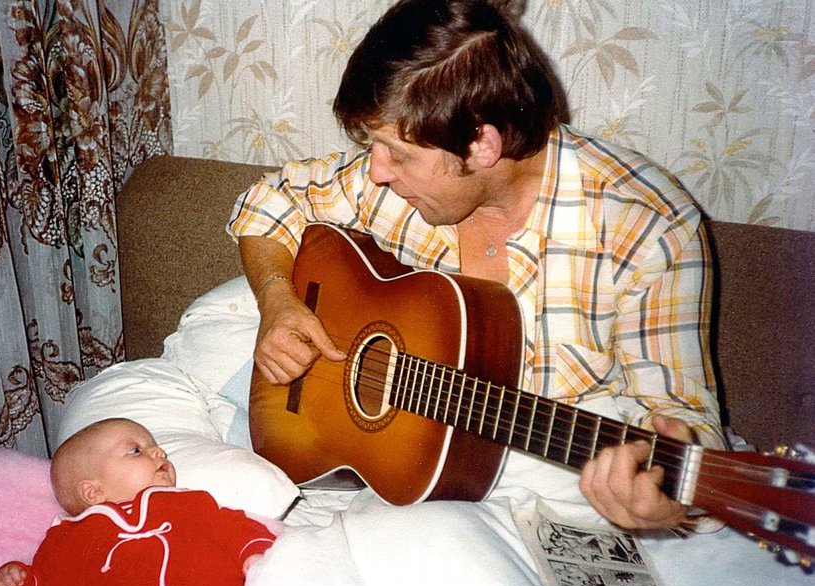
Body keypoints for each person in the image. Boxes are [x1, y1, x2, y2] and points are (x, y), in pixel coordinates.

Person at [226, 0, 726, 531]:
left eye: (396, 153)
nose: (374, 172)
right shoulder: (391, 184)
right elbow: (271, 200)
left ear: (483, 145)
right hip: (407, 476)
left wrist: (668, 495)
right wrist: (278, 299)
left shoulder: (649, 228)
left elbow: (685, 417)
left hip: (543, 479)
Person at [0, 418, 276, 586]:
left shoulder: (190, 502)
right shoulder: (72, 535)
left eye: (155, 446)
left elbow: (235, 527)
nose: (159, 452)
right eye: (136, 450)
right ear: (92, 492)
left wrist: (253, 556)